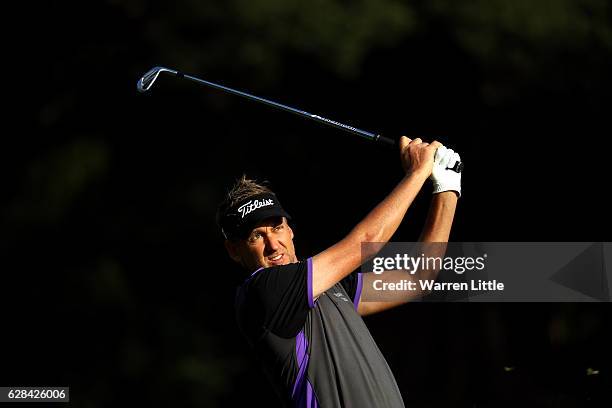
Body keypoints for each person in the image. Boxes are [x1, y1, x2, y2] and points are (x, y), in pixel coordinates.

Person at [216, 136, 461, 407]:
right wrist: (418, 171)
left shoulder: (330, 286)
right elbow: (366, 240)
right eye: (255, 237)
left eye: (277, 227)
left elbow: (417, 279)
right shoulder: (263, 292)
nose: (273, 244)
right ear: (233, 250)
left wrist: (446, 186)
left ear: (290, 230)